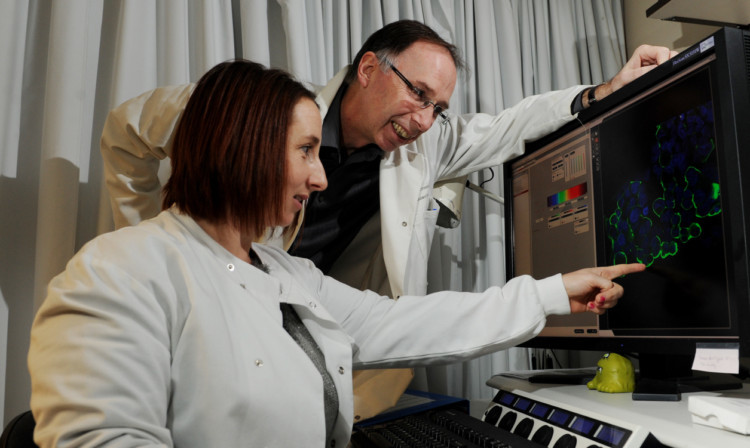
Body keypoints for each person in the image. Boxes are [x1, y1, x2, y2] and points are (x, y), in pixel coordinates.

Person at [30, 60, 645, 447]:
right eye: (304, 152)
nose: (320, 178)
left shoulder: (284, 273)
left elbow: (401, 321)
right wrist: (142, 231)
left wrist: (550, 291)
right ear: (242, 147)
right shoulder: (114, 274)